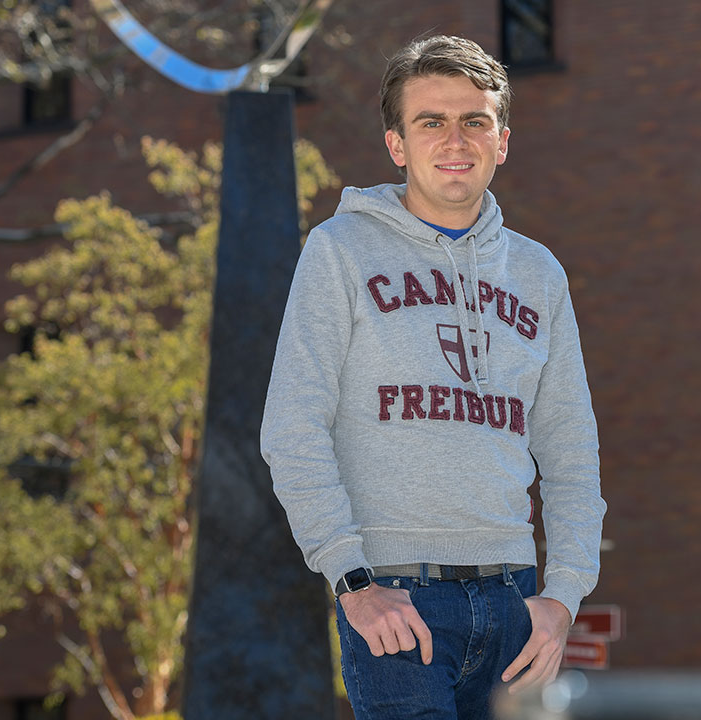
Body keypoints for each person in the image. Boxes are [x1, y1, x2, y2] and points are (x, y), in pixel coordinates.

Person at [260, 34, 605, 719]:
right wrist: (352, 581)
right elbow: (292, 426)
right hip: (396, 602)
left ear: (501, 141)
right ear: (397, 145)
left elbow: (570, 450)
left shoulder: (538, 274)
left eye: (475, 121)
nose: (456, 139)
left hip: (515, 605)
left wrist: (563, 595)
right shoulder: (341, 250)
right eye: (431, 121)